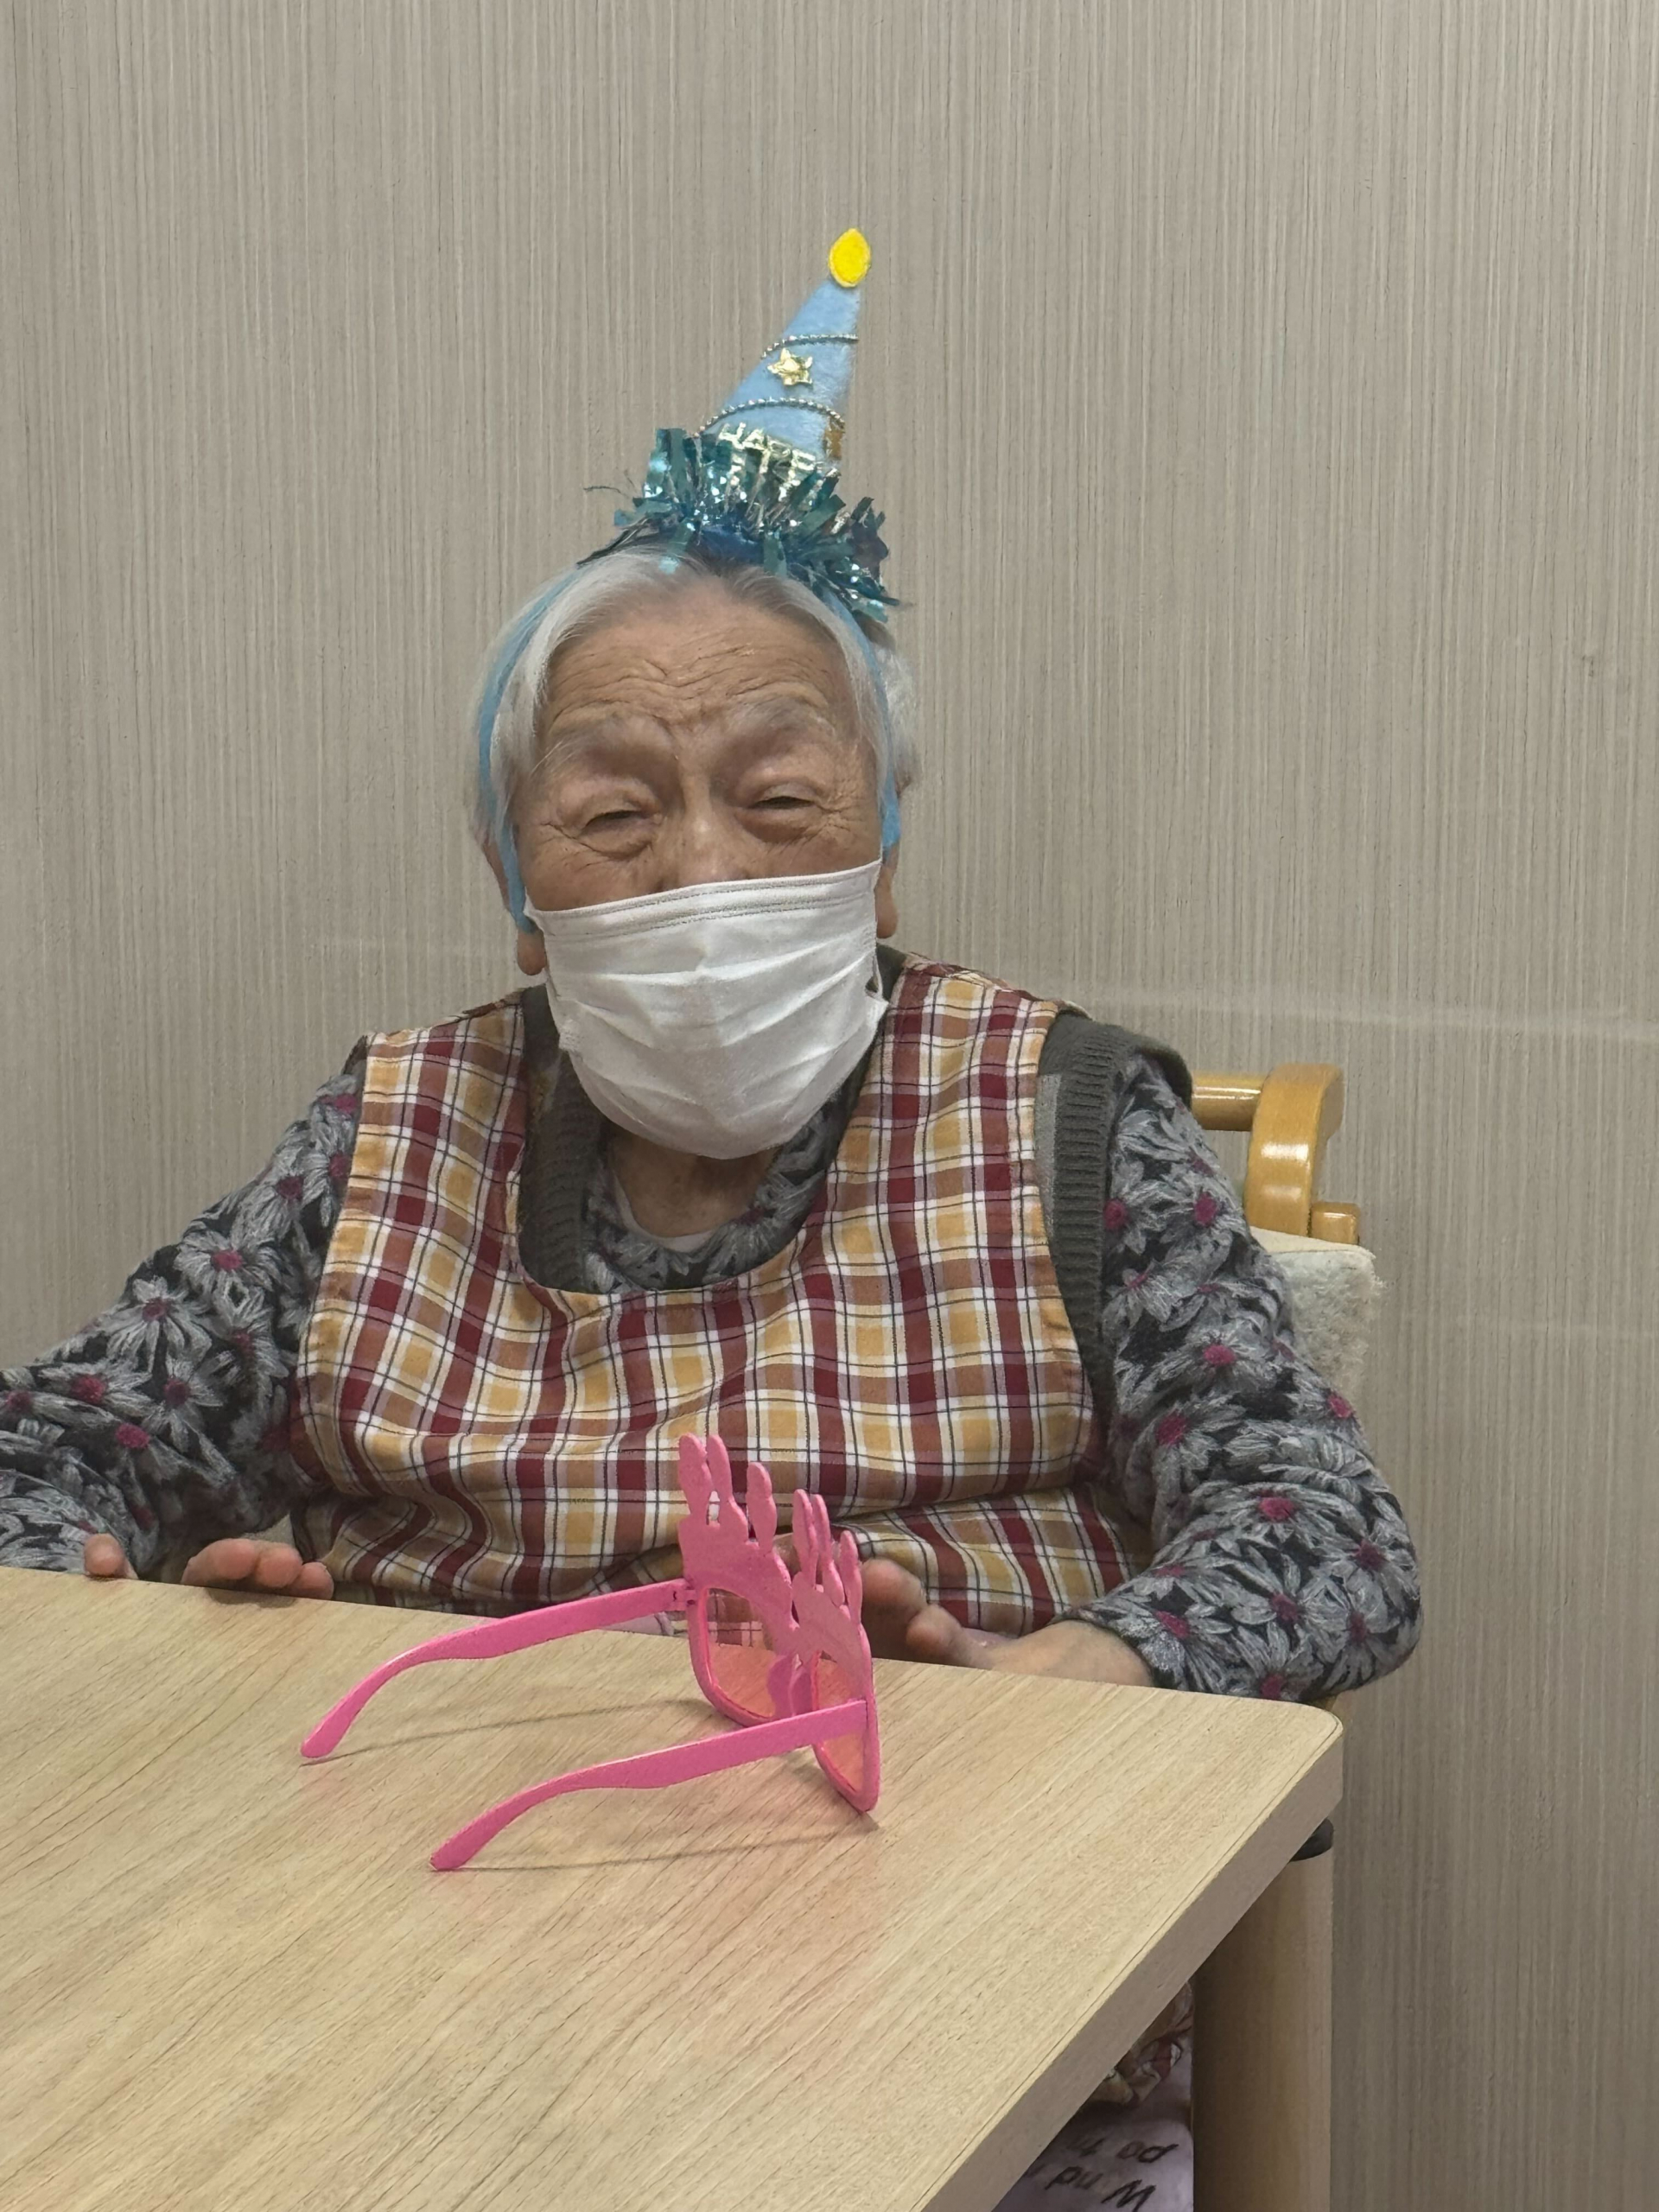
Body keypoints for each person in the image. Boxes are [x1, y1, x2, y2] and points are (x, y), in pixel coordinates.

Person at [1, 232, 1418, 1719]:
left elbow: (1323, 1530)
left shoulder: (1064, 1119)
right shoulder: (390, 1139)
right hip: (443, 1813)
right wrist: (157, 1638)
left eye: (781, 800)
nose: (701, 871)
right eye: (615, 816)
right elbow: (50, 1450)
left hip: (950, 1813)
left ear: (883, 850)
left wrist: (1077, 1673)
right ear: (516, 886)